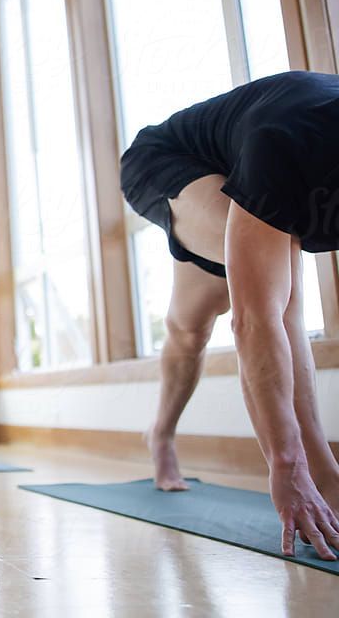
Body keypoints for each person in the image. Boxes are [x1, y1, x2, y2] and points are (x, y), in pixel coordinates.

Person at [120, 70, 339, 561]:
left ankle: (159, 433)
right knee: (274, 301)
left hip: (242, 163)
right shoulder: (288, 143)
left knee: (193, 322)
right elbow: (258, 322)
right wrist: (289, 465)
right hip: (166, 159)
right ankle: (320, 474)